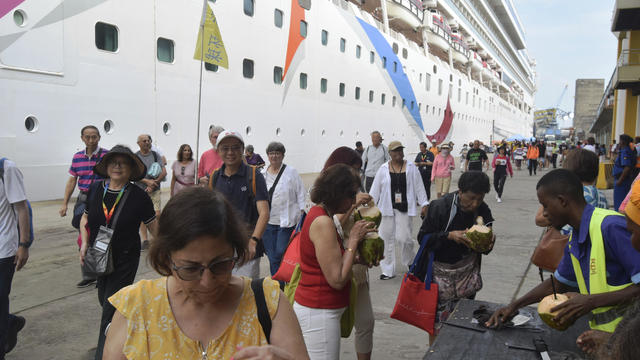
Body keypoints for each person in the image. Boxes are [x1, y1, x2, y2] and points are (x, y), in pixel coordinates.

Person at [102, 187, 308, 359]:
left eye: (221, 264)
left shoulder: (268, 302)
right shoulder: (136, 308)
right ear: (166, 259)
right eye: (190, 269)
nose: (207, 283)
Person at [487, 169, 640, 337]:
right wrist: (514, 306)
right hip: (609, 338)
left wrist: (591, 301)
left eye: (545, 205)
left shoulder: (610, 227)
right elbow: (559, 282)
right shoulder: (575, 236)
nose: (544, 213)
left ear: (562, 201)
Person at [78, 145, 158, 360]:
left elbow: (154, 227)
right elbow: (85, 218)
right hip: (98, 253)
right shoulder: (95, 189)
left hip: (125, 257)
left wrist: (169, 250)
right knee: (104, 300)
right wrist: (84, 243)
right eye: (113, 162)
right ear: (106, 166)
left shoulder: (139, 197)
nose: (117, 166)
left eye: (123, 162)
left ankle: (104, 353)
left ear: (131, 168)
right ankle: (126, 335)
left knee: (111, 307)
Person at [294, 164, 375, 360]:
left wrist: (355, 258)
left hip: (321, 310)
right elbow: (337, 279)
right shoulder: (322, 222)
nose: (352, 200)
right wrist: (354, 240)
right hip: (319, 312)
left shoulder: (322, 215)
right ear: (337, 194)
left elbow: (328, 260)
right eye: (351, 195)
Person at [416, 171, 494, 343]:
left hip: (467, 277)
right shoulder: (439, 207)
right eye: (471, 198)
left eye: (479, 199)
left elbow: (486, 248)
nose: (474, 204)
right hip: (440, 277)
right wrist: (449, 236)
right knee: (437, 326)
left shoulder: (483, 210)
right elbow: (423, 238)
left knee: (463, 322)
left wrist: (487, 243)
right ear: (460, 192)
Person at [322, 147, 375, 360]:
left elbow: (366, 226)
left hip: (358, 268)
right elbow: (330, 225)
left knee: (366, 321)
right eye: (352, 169)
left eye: (358, 171)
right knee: (332, 326)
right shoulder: (322, 193)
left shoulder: (357, 190)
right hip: (334, 267)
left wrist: (372, 249)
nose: (356, 175)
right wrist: (353, 204)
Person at [208, 130, 269, 279]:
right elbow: (210, 213)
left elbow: (264, 213)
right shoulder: (215, 177)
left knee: (246, 292)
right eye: (225, 148)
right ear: (218, 151)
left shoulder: (254, 175)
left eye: (235, 147)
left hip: (247, 248)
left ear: (242, 150)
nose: (230, 152)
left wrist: (253, 241)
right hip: (221, 247)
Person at [369, 141, 429, 280]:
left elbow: (419, 186)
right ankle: (387, 270)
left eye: (400, 150)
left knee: (404, 238)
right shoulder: (383, 169)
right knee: (385, 238)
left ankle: (410, 262)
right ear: (389, 153)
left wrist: (424, 203)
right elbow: (375, 189)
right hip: (386, 208)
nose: (398, 153)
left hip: (404, 208)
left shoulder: (411, 167)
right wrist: (370, 205)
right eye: (395, 151)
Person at [59, 125, 108, 288]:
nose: (91, 140)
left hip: (102, 198)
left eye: (94, 137)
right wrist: (65, 203)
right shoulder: (77, 157)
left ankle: (101, 274)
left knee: (102, 235)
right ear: (82, 138)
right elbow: (72, 180)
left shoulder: (107, 155)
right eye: (87, 137)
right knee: (83, 236)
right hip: (84, 198)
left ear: (99, 137)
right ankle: (89, 273)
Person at [0, 158, 30, 358]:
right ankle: (10, 322)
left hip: (4, 248)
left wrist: (23, 244)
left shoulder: (7, 169)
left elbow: (22, 209)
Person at [261, 142, 305, 276]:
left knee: (281, 251)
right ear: (268, 156)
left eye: (277, 153)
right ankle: (277, 283)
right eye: (271, 153)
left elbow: (301, 192)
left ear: (282, 155)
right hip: (267, 222)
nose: (274, 156)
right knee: (271, 254)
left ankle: (282, 280)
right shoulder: (262, 174)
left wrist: (303, 213)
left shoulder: (291, 172)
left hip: (286, 221)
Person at [135, 134, 166, 250]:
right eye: (144, 141)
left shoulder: (155, 155)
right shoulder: (135, 156)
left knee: (157, 214)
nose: (147, 142)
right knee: (143, 216)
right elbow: (132, 174)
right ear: (138, 143)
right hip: (140, 190)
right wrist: (147, 181)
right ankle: (145, 240)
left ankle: (158, 237)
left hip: (155, 189)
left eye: (148, 140)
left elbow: (164, 172)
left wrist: (154, 183)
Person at [613, 134, 637, 210]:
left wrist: (620, 181)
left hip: (622, 181)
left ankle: (619, 219)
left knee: (619, 204)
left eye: (620, 140)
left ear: (623, 141)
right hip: (625, 180)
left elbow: (627, 167)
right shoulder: (628, 150)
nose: (619, 142)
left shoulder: (624, 151)